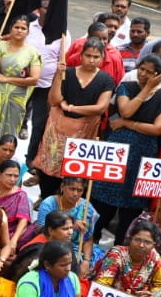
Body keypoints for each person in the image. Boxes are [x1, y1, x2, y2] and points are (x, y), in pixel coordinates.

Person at [91, 54, 161, 240]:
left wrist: (127, 124)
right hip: (118, 151)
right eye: (142, 69)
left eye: (149, 72)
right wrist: (145, 91)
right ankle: (91, 243)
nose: (144, 74)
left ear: (158, 76)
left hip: (142, 154)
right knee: (102, 201)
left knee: (131, 210)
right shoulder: (126, 87)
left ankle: (121, 248)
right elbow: (126, 110)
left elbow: (157, 128)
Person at [31, 37, 116, 200]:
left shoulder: (106, 80)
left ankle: (66, 202)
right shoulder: (68, 73)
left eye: (96, 57)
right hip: (58, 128)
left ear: (102, 58)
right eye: (88, 56)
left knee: (73, 169)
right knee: (50, 165)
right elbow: (53, 100)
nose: (91, 60)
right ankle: (46, 198)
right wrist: (58, 74)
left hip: (83, 131)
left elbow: (100, 107)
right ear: (81, 55)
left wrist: (72, 107)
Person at [0, 16, 41, 152]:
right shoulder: (1, 46)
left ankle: (4, 163)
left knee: (10, 129)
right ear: (10, 29)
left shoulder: (32, 52)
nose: (19, 31)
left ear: (28, 32)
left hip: (16, 97)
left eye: (23, 28)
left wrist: (7, 79)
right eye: (16, 27)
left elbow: (34, 79)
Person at [36, 178, 98, 276]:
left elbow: (88, 238)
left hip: (79, 249)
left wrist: (86, 261)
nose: (75, 194)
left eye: (79, 190)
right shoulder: (49, 203)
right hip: (52, 246)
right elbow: (41, 231)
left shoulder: (86, 208)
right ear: (62, 187)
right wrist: (69, 225)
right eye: (72, 189)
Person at [91, 221, 161, 297]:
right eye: (137, 240)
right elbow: (101, 284)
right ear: (130, 239)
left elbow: (159, 286)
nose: (141, 245)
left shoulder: (155, 260)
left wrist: (152, 293)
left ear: (154, 245)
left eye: (147, 242)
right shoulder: (116, 254)